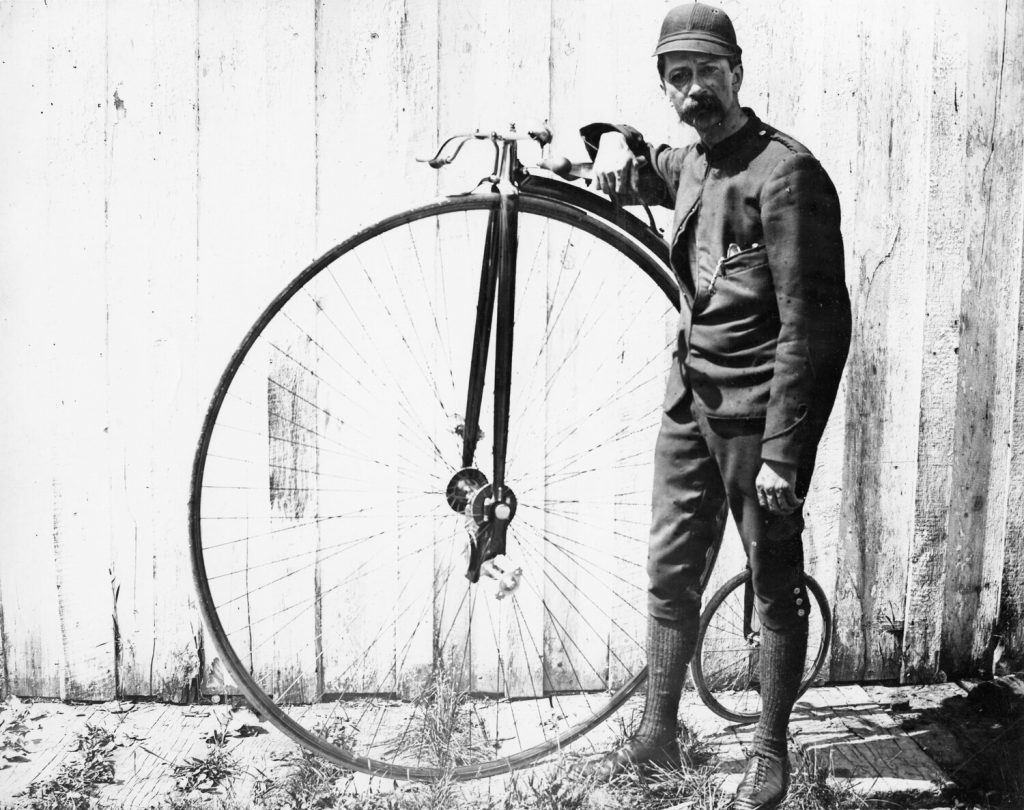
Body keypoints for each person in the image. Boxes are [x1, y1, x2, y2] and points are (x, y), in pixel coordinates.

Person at [579, 4, 852, 808]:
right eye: (676, 77)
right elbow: (636, 160)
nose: (693, 89)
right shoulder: (693, 164)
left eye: (705, 71)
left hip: (757, 415)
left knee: (774, 578)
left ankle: (770, 753)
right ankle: (659, 734)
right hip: (689, 403)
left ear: (737, 70)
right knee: (671, 567)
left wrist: (783, 454)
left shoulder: (785, 172)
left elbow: (817, 321)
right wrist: (599, 141)